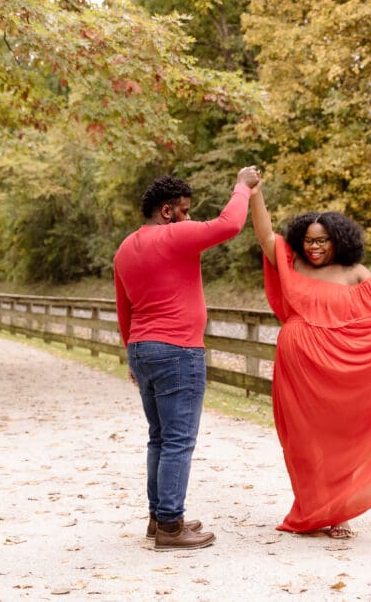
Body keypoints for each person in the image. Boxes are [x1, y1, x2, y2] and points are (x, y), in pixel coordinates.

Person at [249, 180, 371, 539]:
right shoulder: (292, 264)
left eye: (322, 240)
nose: (315, 246)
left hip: (340, 368)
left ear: (338, 239)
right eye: (309, 239)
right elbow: (264, 235)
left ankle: (339, 510)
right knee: (304, 440)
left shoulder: (356, 273)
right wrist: (255, 191)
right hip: (298, 366)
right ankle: (313, 506)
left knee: (341, 436)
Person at [114, 167, 260, 551]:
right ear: (167, 211)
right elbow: (230, 224)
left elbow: (123, 307)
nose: (190, 217)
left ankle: (159, 517)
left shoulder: (126, 247)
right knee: (178, 440)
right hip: (178, 349)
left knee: (159, 438)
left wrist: (132, 354)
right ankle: (171, 528)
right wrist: (241, 186)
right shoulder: (175, 235)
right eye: (185, 209)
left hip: (143, 348)